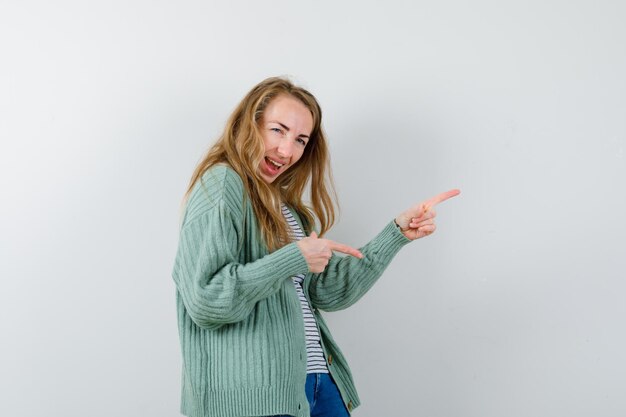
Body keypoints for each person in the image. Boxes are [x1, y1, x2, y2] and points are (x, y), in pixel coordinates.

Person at [172, 76, 459, 417]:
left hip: (317, 382)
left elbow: (328, 292)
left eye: (300, 140)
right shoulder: (222, 184)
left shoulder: (287, 209)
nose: (286, 150)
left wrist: (396, 232)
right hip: (255, 396)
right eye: (277, 130)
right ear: (250, 124)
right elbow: (205, 299)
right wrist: (292, 259)